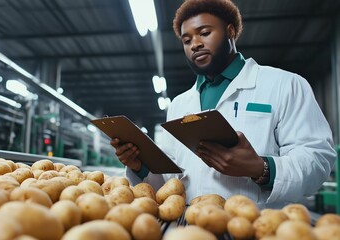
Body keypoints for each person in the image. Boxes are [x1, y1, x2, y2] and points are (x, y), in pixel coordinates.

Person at [111, 0, 336, 208]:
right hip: (191, 226)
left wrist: (261, 168)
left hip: (255, 225)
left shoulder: (284, 85)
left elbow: (317, 158)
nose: (195, 44)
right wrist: (140, 166)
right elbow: (172, 180)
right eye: (186, 40)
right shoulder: (180, 104)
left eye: (205, 33)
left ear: (230, 32)